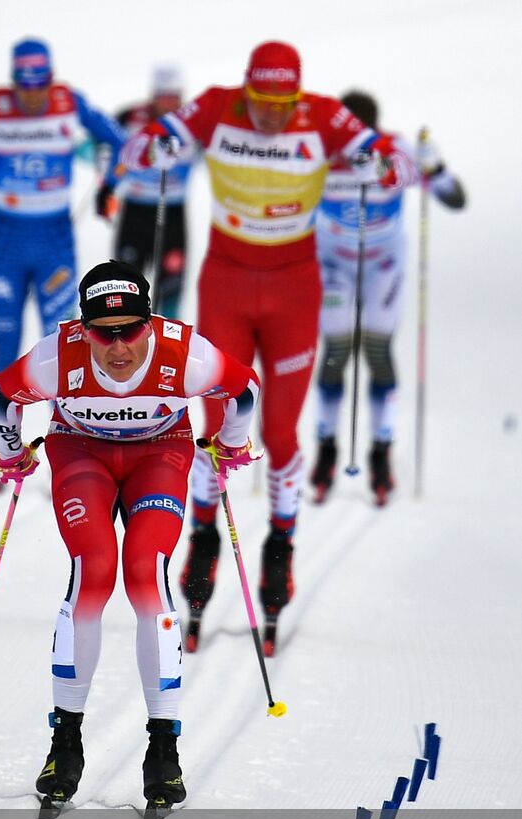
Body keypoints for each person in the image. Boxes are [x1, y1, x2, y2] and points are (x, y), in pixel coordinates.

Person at [121, 41, 402, 653]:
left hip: (295, 289)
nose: (272, 115)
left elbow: (391, 155)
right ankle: (202, 538)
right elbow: (142, 143)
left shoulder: (322, 115)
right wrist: (158, 147)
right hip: (225, 281)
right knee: (218, 426)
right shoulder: (218, 107)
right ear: (247, 90)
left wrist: (385, 165)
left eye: (283, 103)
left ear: (297, 97)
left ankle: (280, 544)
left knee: (278, 433)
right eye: (262, 102)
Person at [0, 260, 259, 813]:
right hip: (80, 450)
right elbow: (2, 395)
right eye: (103, 333)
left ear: (150, 322)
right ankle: (65, 743)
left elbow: (245, 389)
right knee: (95, 571)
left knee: (144, 575)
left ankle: (164, 749)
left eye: (132, 330)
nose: (118, 347)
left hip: (159, 452)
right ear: (81, 328)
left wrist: (230, 443)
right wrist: (10, 453)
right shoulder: (56, 356)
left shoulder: (185, 354)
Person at [0, 38, 126, 377]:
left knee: (62, 345)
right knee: (6, 345)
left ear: (51, 80)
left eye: (41, 86)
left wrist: (108, 186)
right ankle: (1, 429)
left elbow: (119, 139)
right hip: (7, 240)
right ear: (13, 81)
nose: (33, 95)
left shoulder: (69, 102)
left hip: (55, 239)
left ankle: (63, 430)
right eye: (25, 86)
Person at [310, 90, 466, 504]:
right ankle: (326, 449)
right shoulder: (319, 153)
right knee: (336, 351)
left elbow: (455, 197)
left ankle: (381, 450)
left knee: (378, 351)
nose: (350, 146)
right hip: (333, 266)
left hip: (383, 266)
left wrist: (436, 165)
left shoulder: (396, 151)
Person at [95, 65, 196, 318]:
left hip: (172, 213)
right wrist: (107, 188)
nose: (169, 103)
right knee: (123, 284)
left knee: (171, 286)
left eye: (174, 97)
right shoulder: (131, 117)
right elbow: (112, 153)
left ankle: (167, 347)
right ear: (153, 95)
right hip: (135, 212)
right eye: (163, 97)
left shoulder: (192, 121)